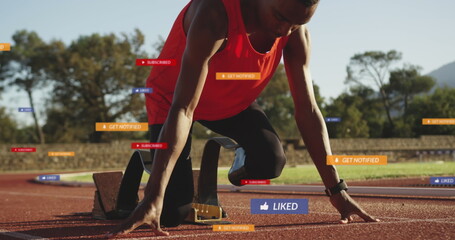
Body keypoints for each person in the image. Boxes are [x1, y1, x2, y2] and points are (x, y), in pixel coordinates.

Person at [107, 0, 379, 237]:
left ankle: (239, 157)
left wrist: (336, 189)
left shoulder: (294, 31)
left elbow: (307, 110)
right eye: (282, 18)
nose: (285, 31)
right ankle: (146, 163)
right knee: (169, 213)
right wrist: (153, 195)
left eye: (297, 23)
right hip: (172, 100)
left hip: (232, 102)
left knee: (270, 162)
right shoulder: (214, 13)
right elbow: (183, 109)